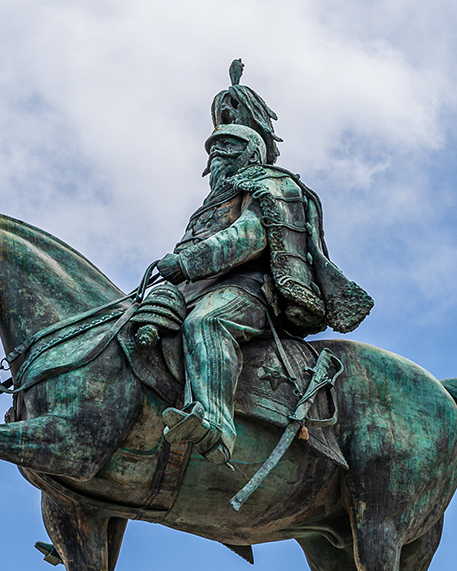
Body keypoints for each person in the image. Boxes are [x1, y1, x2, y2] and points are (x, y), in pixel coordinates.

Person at [153, 62, 370, 463]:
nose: (217, 156)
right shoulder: (208, 206)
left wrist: (187, 262)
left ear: (251, 151)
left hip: (248, 292)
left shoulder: (270, 184)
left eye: (227, 148)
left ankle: (214, 423)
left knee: (208, 322)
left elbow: (248, 238)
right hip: (194, 289)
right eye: (213, 149)